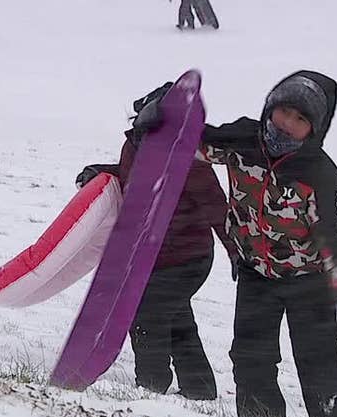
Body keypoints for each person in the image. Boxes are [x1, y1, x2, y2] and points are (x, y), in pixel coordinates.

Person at [131, 71, 337, 417]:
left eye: (300, 119)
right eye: (283, 111)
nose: (287, 123)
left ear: (314, 129)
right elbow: (191, 144)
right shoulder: (244, 139)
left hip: (310, 283)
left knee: (319, 367)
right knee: (250, 359)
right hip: (257, 275)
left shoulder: (320, 175)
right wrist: (158, 118)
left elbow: (336, 244)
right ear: (270, 107)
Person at [75, 128, 230, 400]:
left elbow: (217, 208)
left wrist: (236, 252)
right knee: (175, 316)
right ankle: (199, 388)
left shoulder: (190, 159)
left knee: (146, 314)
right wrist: (101, 173)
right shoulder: (135, 142)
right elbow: (134, 177)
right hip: (155, 259)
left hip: (187, 259)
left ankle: (151, 386)